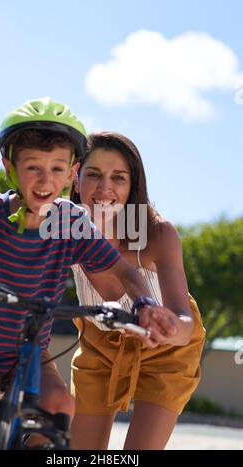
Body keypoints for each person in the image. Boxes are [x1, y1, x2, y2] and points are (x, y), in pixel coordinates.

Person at [0, 99, 186, 450]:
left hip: (29, 353)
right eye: (33, 168)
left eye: (58, 169)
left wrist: (144, 303)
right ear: (9, 167)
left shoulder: (71, 221)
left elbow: (123, 270)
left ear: (72, 172)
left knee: (61, 405)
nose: (46, 181)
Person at [69, 131, 205, 450]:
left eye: (118, 177)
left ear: (132, 186)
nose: (105, 189)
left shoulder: (157, 233)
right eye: (93, 175)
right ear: (75, 179)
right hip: (99, 342)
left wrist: (167, 330)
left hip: (167, 349)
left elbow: (184, 322)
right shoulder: (63, 226)